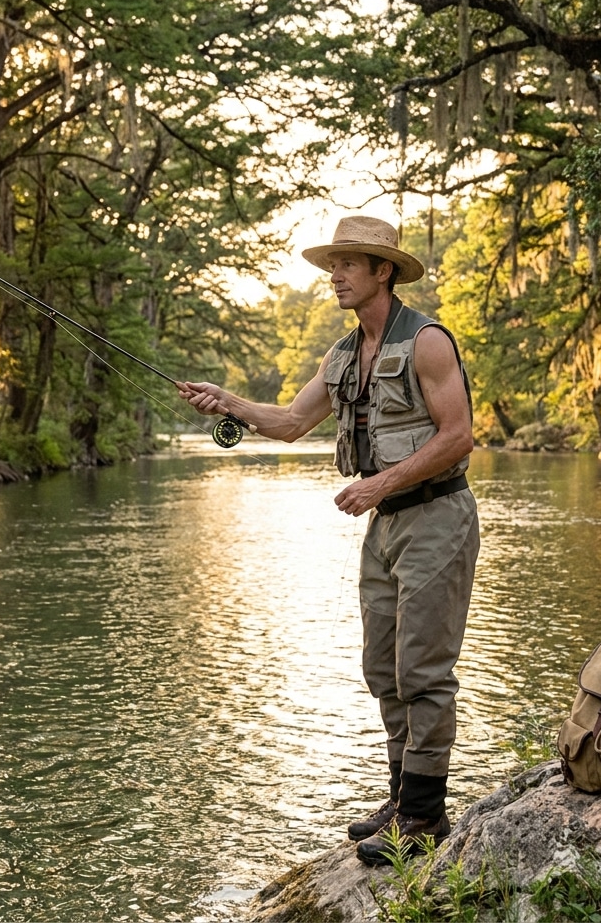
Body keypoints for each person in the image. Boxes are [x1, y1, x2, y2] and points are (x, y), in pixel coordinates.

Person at [177, 214, 480, 866]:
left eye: (349, 264)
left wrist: (378, 485)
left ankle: (425, 816)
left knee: (423, 670)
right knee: (383, 669)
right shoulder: (342, 354)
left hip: (437, 515)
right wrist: (228, 401)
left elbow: (458, 437)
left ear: (383, 271)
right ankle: (403, 797)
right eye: (332, 265)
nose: (335, 276)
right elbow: (288, 421)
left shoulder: (427, 341)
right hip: (386, 526)